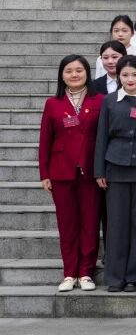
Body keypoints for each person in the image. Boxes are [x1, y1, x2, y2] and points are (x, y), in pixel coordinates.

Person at [93, 55, 136, 292]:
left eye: (134, 74)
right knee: (116, 224)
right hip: (115, 166)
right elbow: (101, 136)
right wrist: (99, 170)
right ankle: (116, 277)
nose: (130, 79)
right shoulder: (110, 100)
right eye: (125, 75)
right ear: (118, 76)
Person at [38, 55, 104, 292]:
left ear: (87, 73)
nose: (74, 75)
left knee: (90, 222)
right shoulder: (52, 103)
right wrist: (44, 173)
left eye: (79, 70)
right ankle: (69, 273)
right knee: (67, 224)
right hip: (61, 171)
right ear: (62, 75)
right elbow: (45, 139)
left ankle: (86, 272)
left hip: (90, 170)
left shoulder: (100, 100)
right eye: (69, 71)